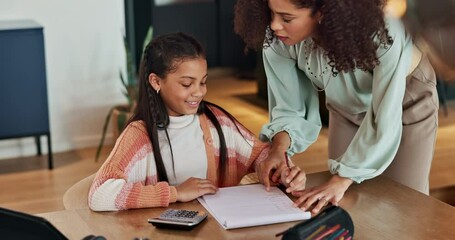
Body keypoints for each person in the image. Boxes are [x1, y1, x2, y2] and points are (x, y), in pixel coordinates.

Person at [234, 0, 439, 214]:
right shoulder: (277, 38)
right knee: (343, 204)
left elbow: (385, 117)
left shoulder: (384, 29)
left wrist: (341, 179)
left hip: (406, 102)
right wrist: (278, 150)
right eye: (271, 13)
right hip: (346, 107)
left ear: (323, 13)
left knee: (405, 207)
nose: (275, 25)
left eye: (287, 18)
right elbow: (289, 109)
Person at [88, 32, 305, 211]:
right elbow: (99, 195)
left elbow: (260, 155)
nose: (199, 92)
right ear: (156, 81)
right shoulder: (139, 135)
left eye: (203, 82)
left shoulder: (216, 121)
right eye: (186, 84)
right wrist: (175, 193)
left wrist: (282, 171)